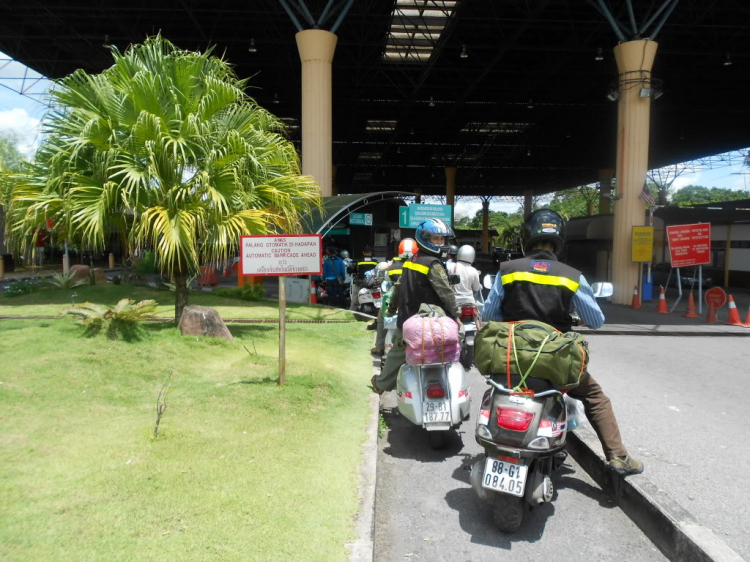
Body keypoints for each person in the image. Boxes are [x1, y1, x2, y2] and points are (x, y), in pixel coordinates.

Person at [482, 209, 644, 476]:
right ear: (560, 239)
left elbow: (489, 315)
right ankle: (618, 457)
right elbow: (595, 320)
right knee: (595, 397)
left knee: (496, 389)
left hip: (510, 356)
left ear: (527, 238)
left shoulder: (507, 271)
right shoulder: (572, 275)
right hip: (554, 361)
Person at [371, 220, 459, 394]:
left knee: (397, 352)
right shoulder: (433, 264)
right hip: (430, 320)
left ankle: (381, 384)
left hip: (407, 318)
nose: (440, 243)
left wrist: (391, 308)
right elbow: (446, 292)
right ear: (424, 239)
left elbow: (398, 287)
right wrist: (457, 314)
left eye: (442, 239)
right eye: (436, 239)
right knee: (450, 345)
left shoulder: (412, 260)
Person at [371, 238, 417, 356]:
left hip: (393, 300)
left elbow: (384, 280)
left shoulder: (391, 266)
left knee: (381, 320)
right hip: (412, 300)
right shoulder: (418, 264)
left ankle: (379, 347)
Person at [350, 245, 378, 313]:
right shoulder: (375, 262)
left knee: (355, 294)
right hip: (372, 282)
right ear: (371, 253)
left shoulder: (359, 261)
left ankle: (352, 309)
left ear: (363, 252)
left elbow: (355, 271)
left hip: (361, 282)